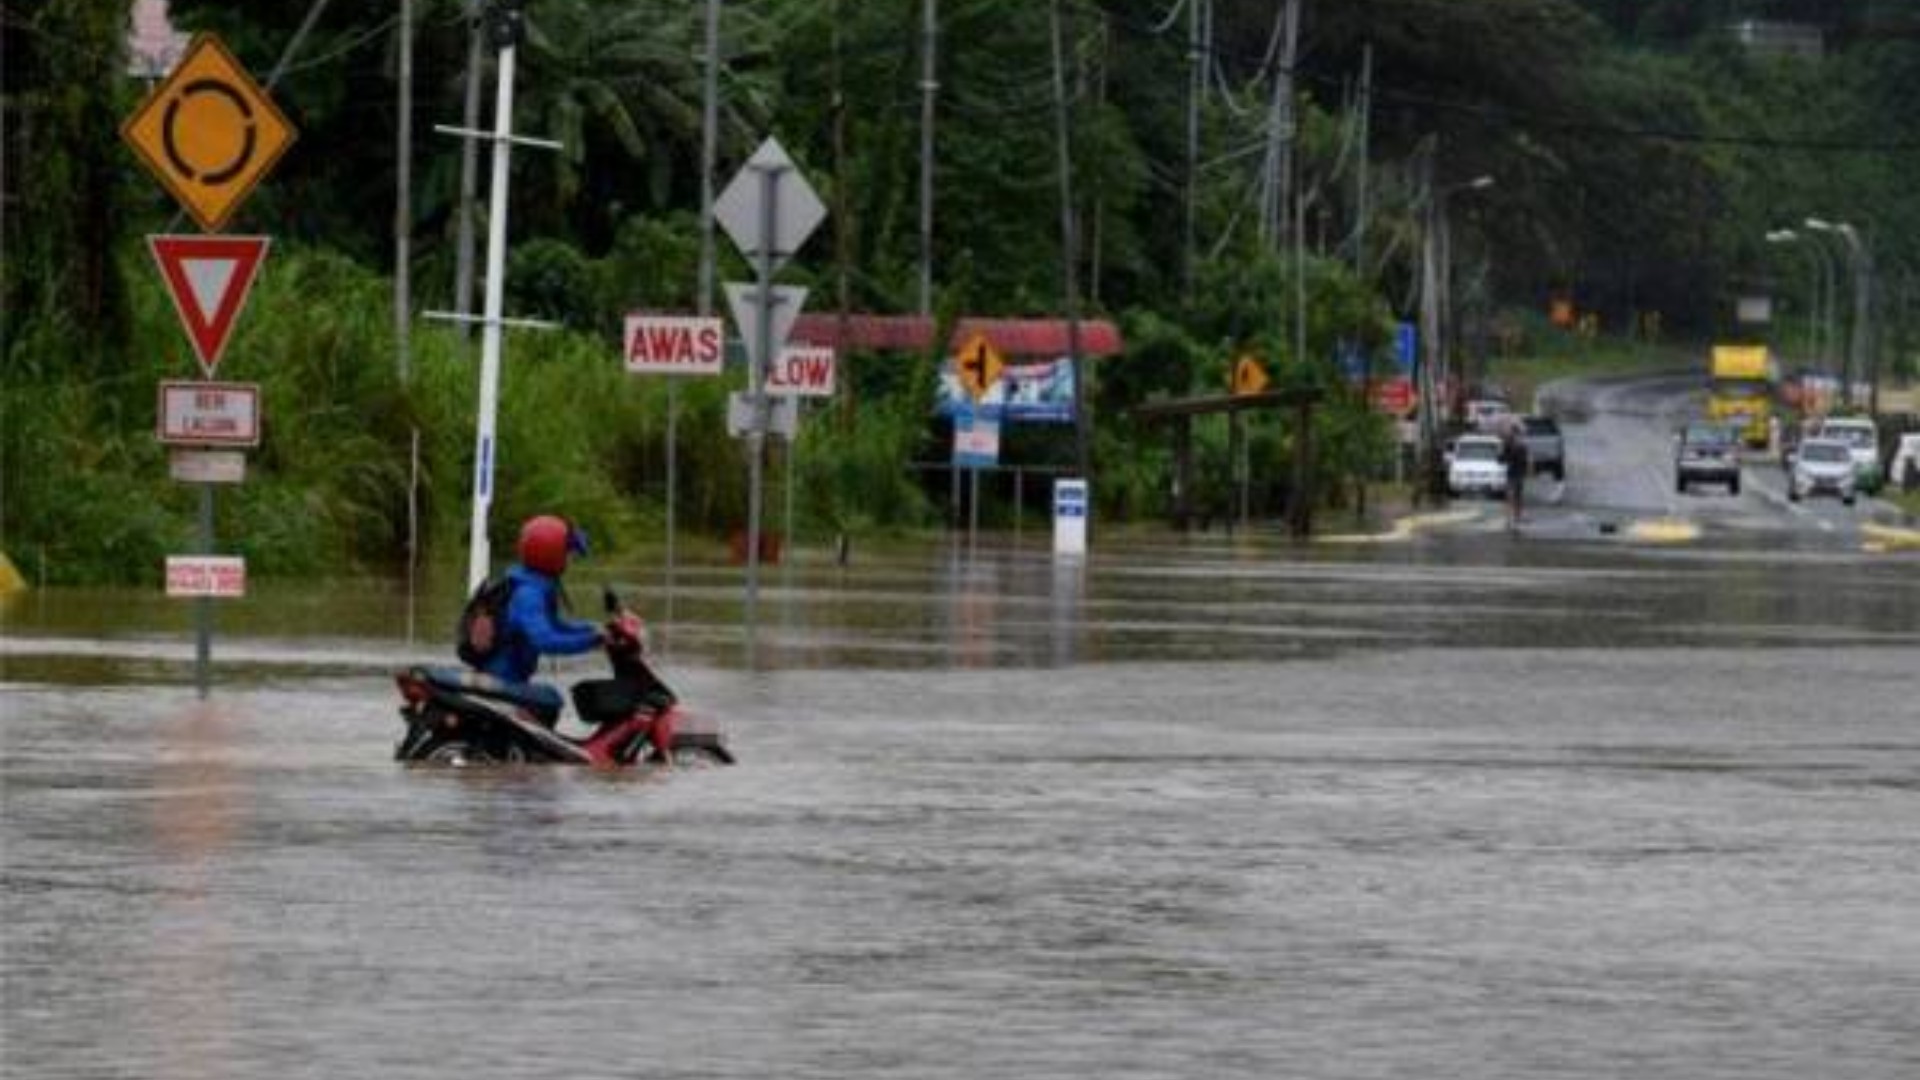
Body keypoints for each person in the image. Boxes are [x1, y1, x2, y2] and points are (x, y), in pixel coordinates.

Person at [479, 515, 605, 687]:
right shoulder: (529, 594)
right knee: (549, 701)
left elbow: (555, 626)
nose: (569, 560)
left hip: (509, 679)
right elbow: (545, 640)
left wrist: (592, 630)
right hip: (503, 683)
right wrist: (592, 641)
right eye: (566, 554)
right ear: (551, 555)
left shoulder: (533, 584)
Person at [1501, 421, 1530, 528]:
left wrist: (1506, 456)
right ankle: (1513, 518)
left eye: (1513, 432)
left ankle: (1513, 518)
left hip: (1515, 473)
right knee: (1515, 496)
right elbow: (1502, 459)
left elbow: (1503, 459)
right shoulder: (1515, 445)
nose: (1512, 434)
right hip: (1516, 473)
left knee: (1514, 496)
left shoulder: (1516, 445)